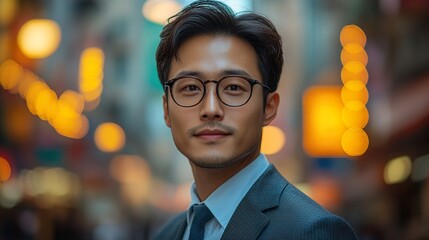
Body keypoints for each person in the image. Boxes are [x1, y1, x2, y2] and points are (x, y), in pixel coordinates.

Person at [154, 0, 358, 239]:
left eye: (233, 87)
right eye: (190, 88)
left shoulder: (314, 231)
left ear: (269, 108)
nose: (210, 108)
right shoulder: (167, 235)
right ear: (166, 109)